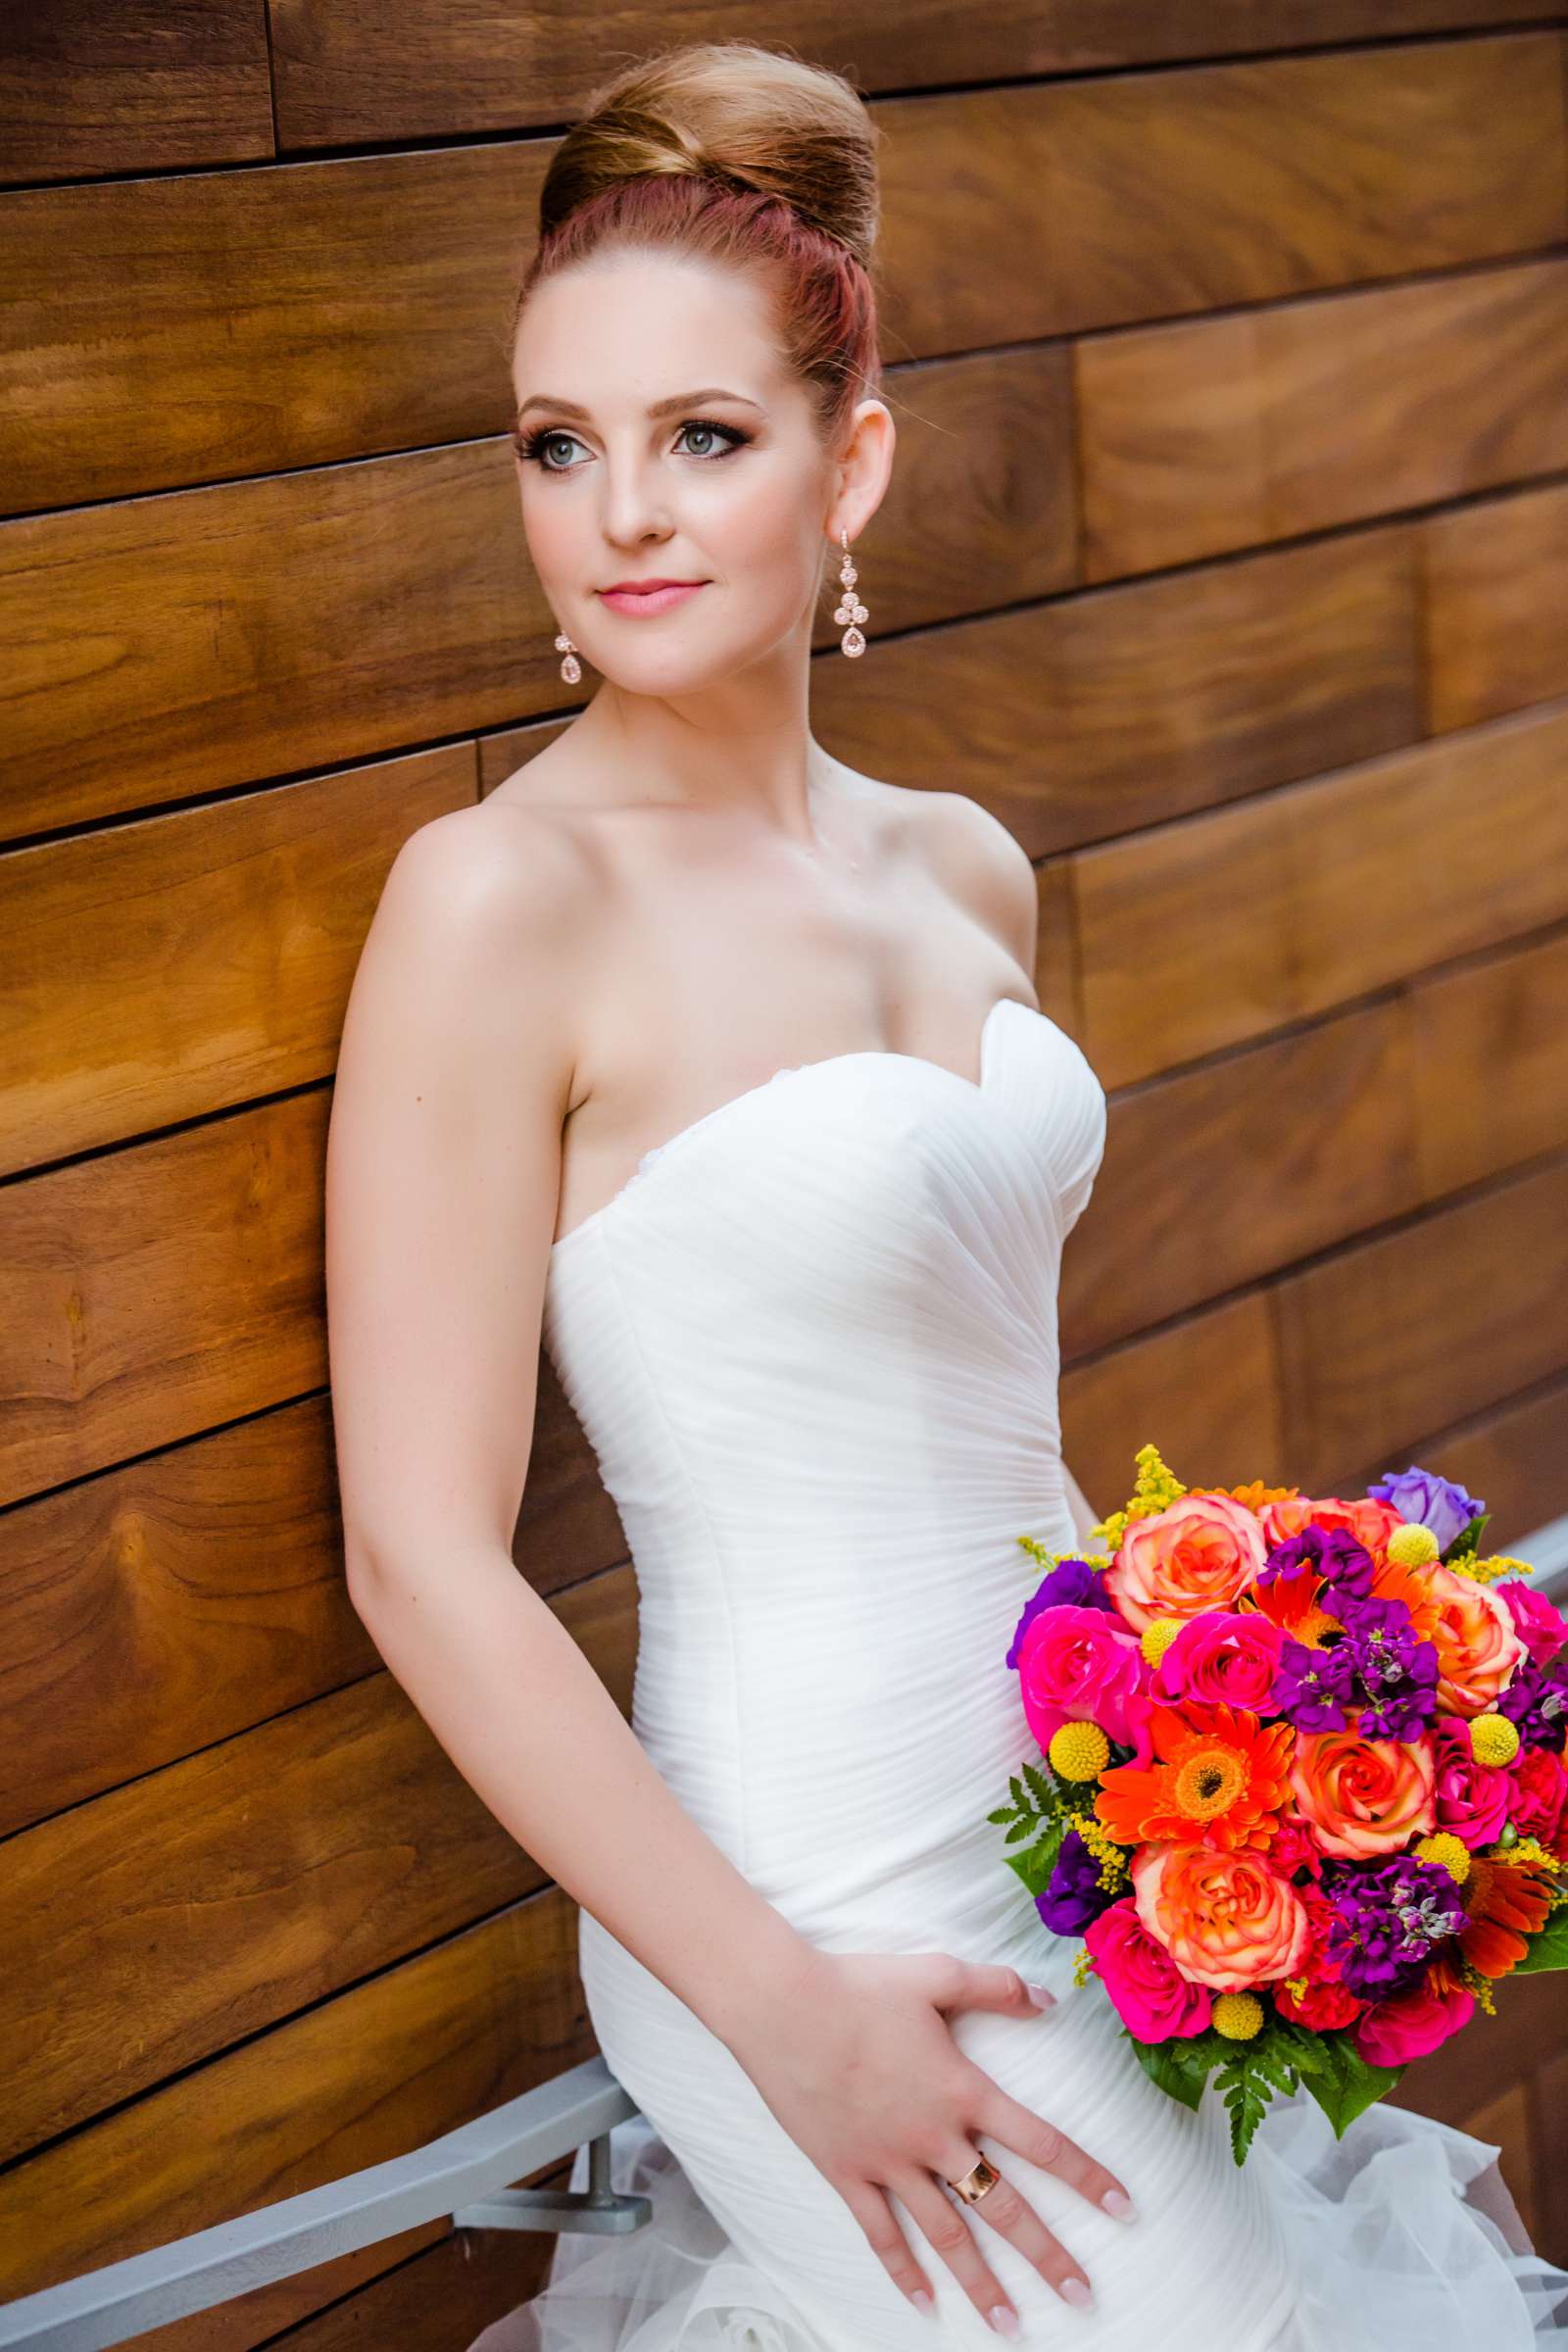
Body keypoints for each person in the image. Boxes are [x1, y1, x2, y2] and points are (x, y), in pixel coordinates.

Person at [323, 37, 1568, 2351]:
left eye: (704, 435)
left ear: (849, 460)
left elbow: (974, 1417)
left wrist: (1242, 1741)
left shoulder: (959, 867)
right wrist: (779, 2017)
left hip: (1088, 1837)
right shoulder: (496, 904)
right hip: (788, 1884)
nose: (622, 516)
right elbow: (420, 1554)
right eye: (556, 445)